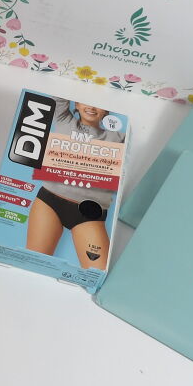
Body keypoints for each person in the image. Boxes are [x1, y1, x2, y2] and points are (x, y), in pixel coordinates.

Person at [26, 100, 124, 268]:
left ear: (107, 111)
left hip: (90, 213)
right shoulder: (64, 119)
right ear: (76, 104)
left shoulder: (119, 138)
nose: (91, 107)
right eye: (86, 101)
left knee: (96, 273)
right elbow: (59, 96)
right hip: (49, 203)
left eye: (98, 103)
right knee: (32, 265)